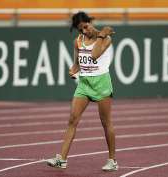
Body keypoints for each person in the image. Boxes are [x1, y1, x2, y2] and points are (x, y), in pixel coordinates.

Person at [46, 11, 118, 171]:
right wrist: (72, 70)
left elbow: (94, 55)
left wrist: (100, 35)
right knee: (72, 120)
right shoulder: (77, 41)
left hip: (101, 83)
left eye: (85, 27)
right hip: (84, 84)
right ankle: (62, 159)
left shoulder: (106, 39)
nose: (84, 31)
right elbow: (77, 64)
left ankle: (112, 160)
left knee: (106, 123)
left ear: (90, 22)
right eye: (80, 30)